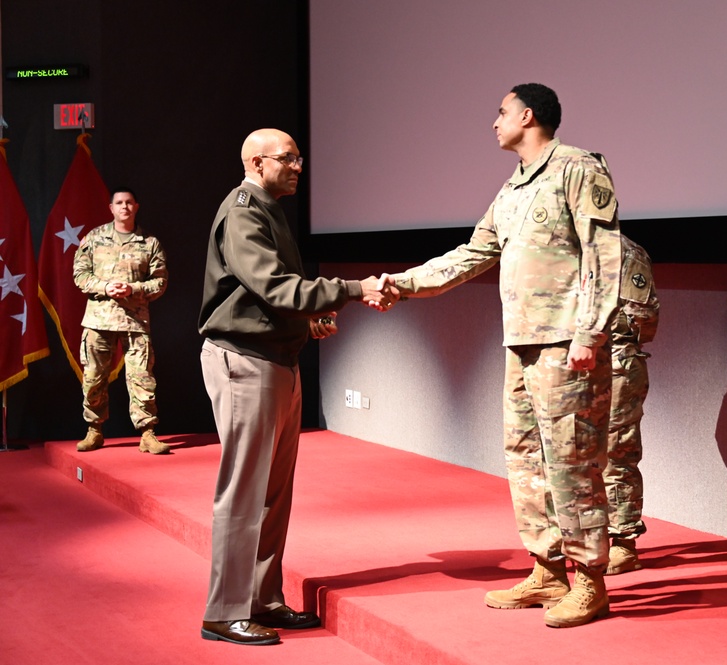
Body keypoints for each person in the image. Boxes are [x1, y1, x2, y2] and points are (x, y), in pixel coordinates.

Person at [386, 83, 622, 628]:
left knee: (573, 461)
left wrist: (589, 333)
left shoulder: (578, 169)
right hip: (521, 342)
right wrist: (402, 283)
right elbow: (474, 252)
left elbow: (602, 254)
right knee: (526, 458)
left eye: (501, 112)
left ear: (527, 114)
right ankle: (547, 568)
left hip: (566, 342)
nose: (494, 122)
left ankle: (590, 581)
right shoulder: (514, 187)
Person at [197, 128, 397, 646]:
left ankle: (261, 599)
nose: (298, 166)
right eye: (287, 158)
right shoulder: (243, 209)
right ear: (257, 163)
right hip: (246, 362)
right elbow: (273, 285)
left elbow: (267, 297)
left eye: (298, 157)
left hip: (276, 359)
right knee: (245, 491)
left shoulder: (269, 208)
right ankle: (224, 611)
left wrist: (306, 323)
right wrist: (355, 289)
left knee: (273, 494)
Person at [73, 187, 169, 454]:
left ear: (136, 206)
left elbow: (160, 282)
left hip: (135, 323)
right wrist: (105, 287)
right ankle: (94, 431)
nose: (124, 206)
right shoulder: (94, 238)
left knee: (142, 379)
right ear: (111, 208)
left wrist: (133, 289)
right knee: (93, 378)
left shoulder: (149, 242)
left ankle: (147, 433)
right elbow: (79, 275)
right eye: (119, 202)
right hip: (99, 321)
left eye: (129, 202)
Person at [605, 234, 659, 575]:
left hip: (615, 363)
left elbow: (644, 317)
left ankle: (623, 541)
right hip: (566, 365)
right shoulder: (560, 247)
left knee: (616, 452)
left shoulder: (624, 251)